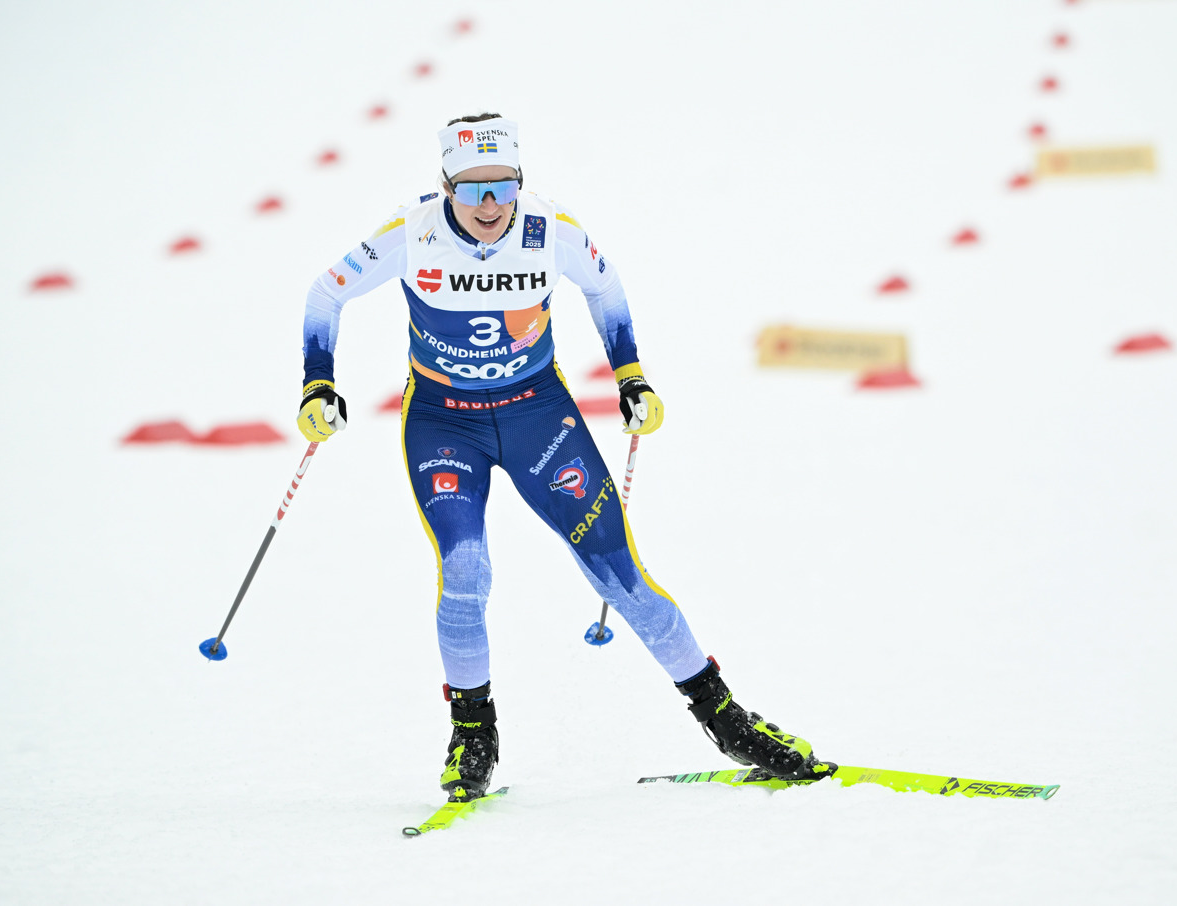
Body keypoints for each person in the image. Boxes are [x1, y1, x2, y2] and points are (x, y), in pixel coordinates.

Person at [297, 113, 829, 801]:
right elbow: (324, 295)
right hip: (442, 423)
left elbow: (605, 290)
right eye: (472, 190)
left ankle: (727, 720)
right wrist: (318, 383)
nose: (490, 207)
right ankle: (473, 733)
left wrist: (631, 376)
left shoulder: (552, 230)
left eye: (503, 187)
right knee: (465, 569)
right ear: (446, 186)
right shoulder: (412, 231)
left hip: (537, 417)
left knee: (620, 576)